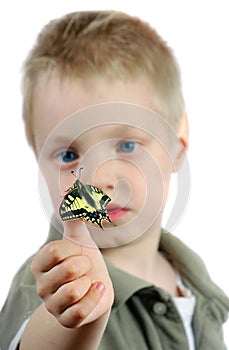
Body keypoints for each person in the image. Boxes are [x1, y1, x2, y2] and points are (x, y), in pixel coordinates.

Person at [0, 10, 228, 350]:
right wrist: (79, 312)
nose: (100, 178)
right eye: (69, 156)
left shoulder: (193, 278)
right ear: (38, 161)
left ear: (176, 148)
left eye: (127, 146)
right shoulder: (49, 283)